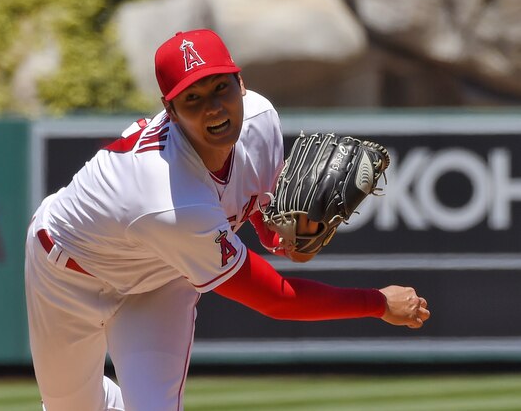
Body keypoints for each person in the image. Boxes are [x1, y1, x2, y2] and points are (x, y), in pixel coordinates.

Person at [24, 28, 430, 411]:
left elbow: (259, 212)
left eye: (221, 87)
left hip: (163, 275)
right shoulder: (170, 198)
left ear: (242, 83)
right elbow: (275, 299)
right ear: (170, 111)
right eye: (193, 99)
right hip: (68, 273)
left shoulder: (261, 121)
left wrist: (286, 237)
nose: (214, 107)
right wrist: (377, 302)